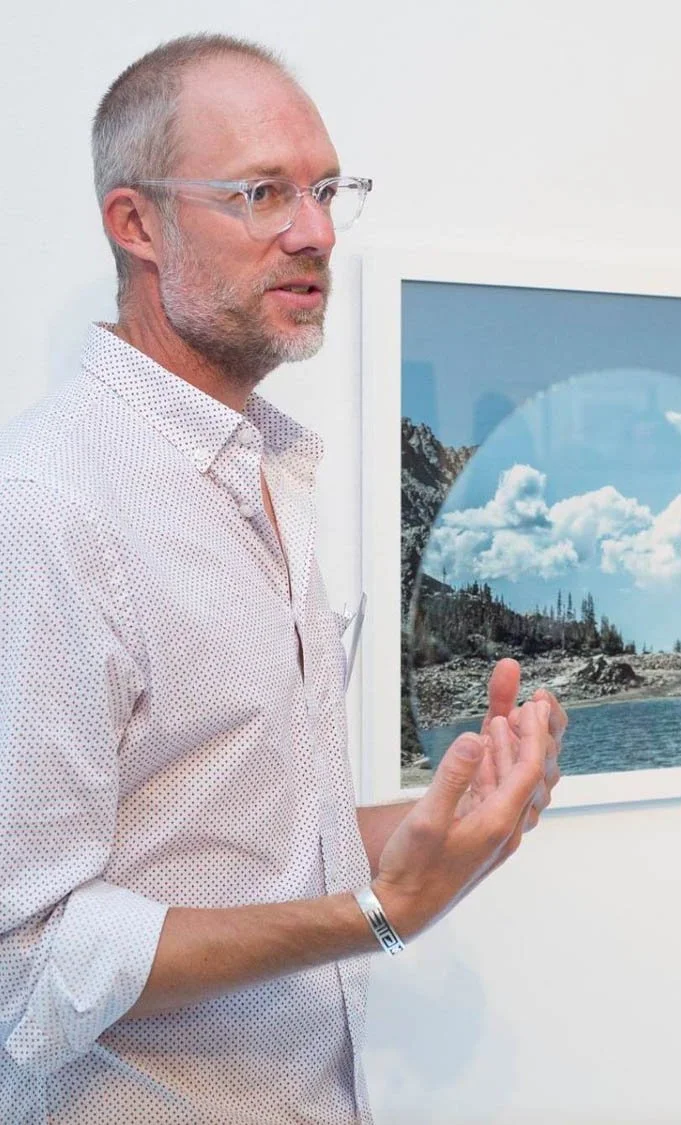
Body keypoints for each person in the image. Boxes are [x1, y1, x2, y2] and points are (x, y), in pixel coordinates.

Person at [0, 33, 566, 1125]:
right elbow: (24, 962)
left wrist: (447, 823)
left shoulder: (266, 470)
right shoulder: (45, 505)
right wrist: (380, 912)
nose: (316, 232)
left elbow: (232, 842)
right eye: (261, 193)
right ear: (136, 224)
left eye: (324, 189)